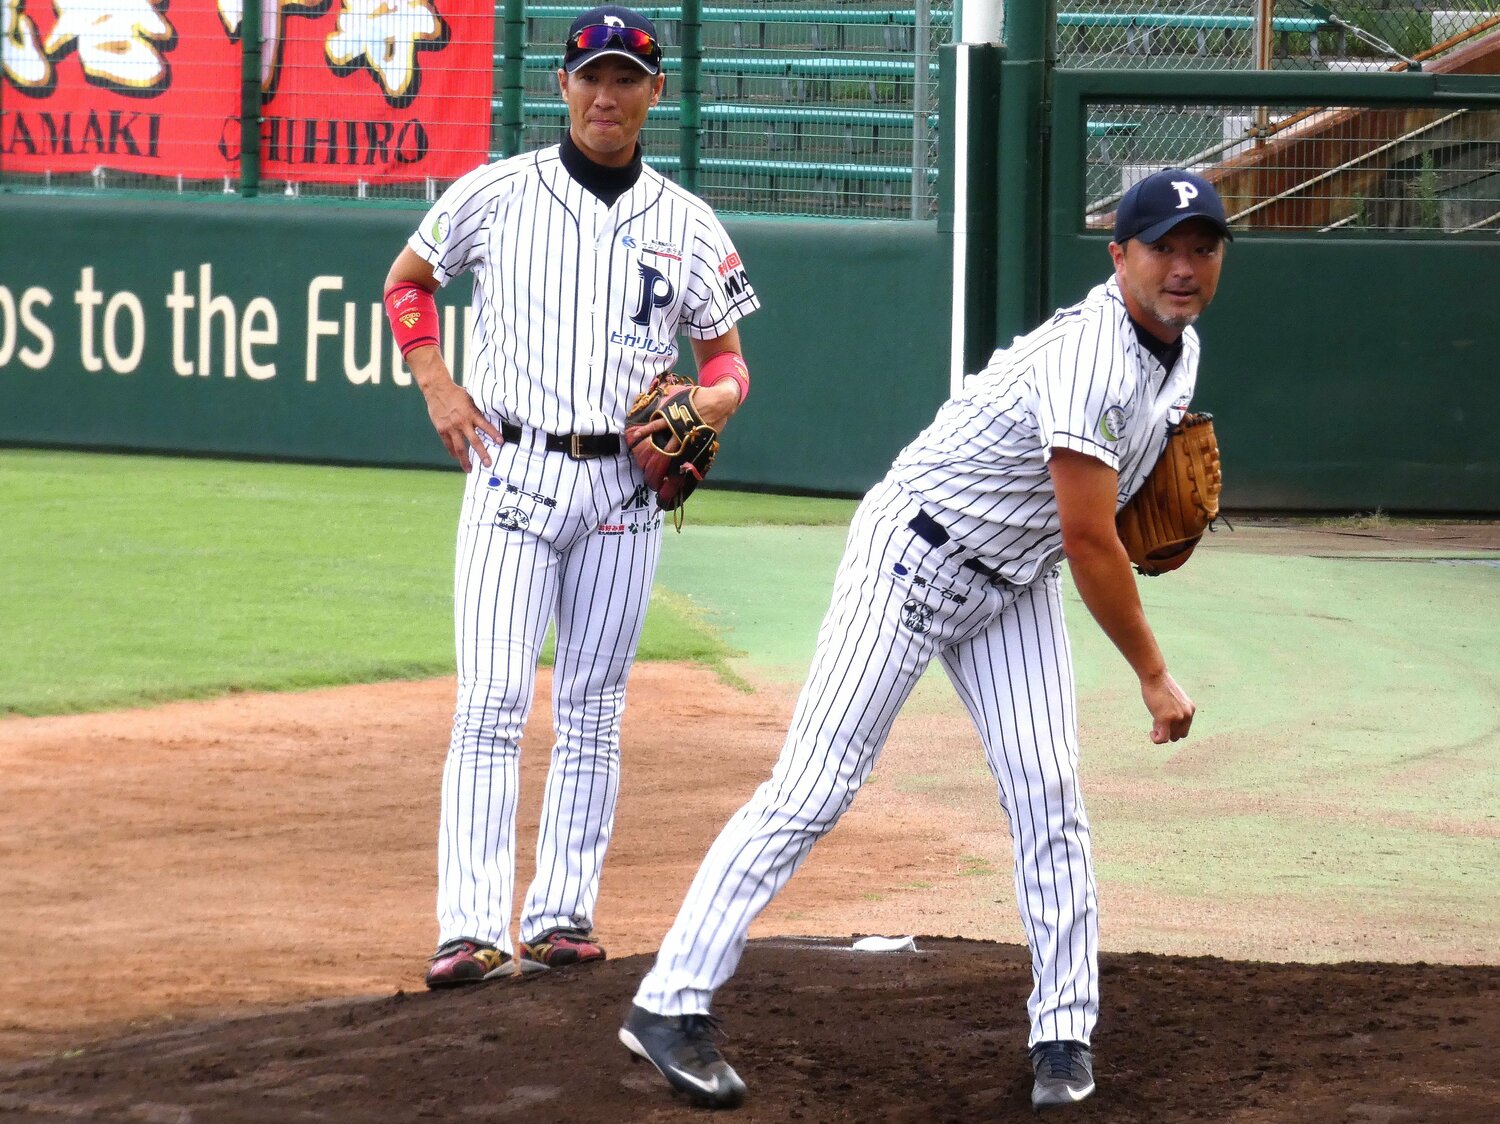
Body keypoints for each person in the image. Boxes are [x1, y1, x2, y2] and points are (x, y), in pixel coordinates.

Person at [618, 167, 1231, 1110]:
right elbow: (1089, 537)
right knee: (815, 788)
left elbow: (1076, 526)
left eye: (1203, 248)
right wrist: (1152, 672)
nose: (1184, 268)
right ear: (1121, 257)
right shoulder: (1091, 357)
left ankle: (1064, 1035)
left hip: (1013, 583)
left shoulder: (1176, 351)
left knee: (1050, 795)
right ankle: (668, 1003)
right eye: (1165, 249)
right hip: (913, 557)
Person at [382, 4, 759, 988]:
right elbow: (407, 283)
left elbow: (726, 360)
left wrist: (714, 397)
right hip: (515, 466)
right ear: (562, 85)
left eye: (627, 77)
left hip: (627, 490)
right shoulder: (498, 194)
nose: (607, 94)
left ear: (653, 94)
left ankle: (559, 916)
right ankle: (469, 924)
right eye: (591, 75)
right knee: (496, 697)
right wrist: (436, 383)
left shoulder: (687, 223)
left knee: (592, 708)